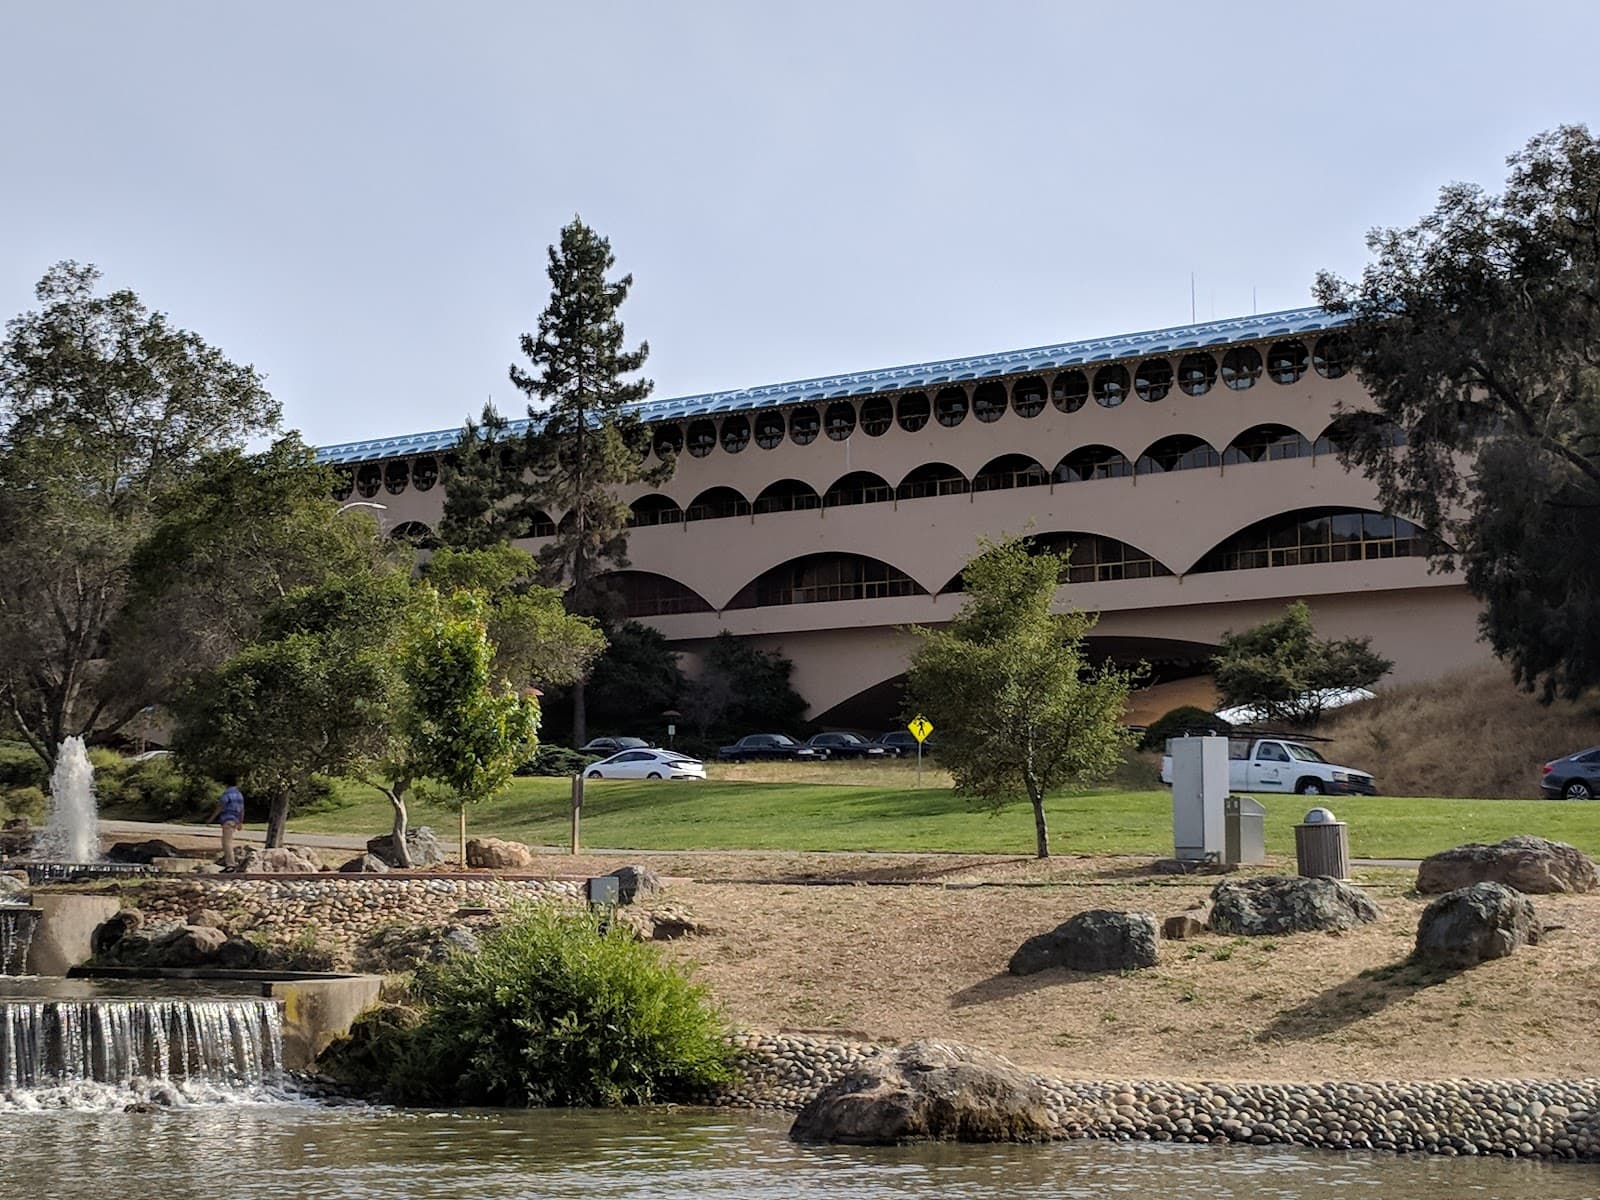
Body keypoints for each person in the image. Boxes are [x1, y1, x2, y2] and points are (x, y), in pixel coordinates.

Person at [210, 774, 246, 869]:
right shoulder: (239, 794)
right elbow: (242, 809)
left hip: (227, 819)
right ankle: (230, 863)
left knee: (227, 843)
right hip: (235, 819)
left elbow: (221, 807)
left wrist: (211, 818)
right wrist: (240, 822)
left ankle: (231, 864)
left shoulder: (227, 794)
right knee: (228, 841)